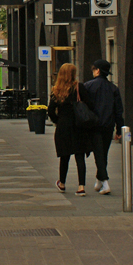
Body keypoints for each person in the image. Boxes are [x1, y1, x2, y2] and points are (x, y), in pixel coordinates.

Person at [47, 63, 93, 196]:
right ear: (73, 74)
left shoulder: (56, 90)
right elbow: (89, 104)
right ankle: (81, 186)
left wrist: (57, 120)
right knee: (80, 157)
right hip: (78, 126)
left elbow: (50, 110)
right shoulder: (79, 87)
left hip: (63, 127)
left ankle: (62, 183)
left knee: (64, 156)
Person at [83, 59, 124, 195]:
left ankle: (105, 182)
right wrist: (119, 129)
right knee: (103, 153)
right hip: (108, 125)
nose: (93, 71)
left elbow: (83, 108)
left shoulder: (88, 86)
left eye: (94, 69)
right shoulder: (113, 89)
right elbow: (118, 111)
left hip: (93, 126)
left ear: (98, 71)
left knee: (98, 154)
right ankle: (99, 180)